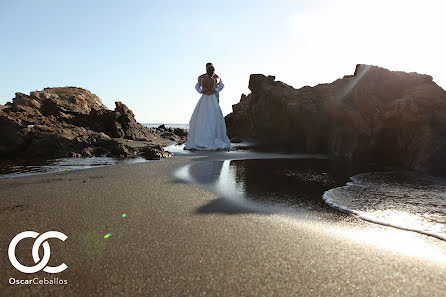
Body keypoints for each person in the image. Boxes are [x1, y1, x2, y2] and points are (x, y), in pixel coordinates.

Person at [184, 65, 232, 151]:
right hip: (212, 98)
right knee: (213, 117)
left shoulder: (202, 79)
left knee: (202, 117)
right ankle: (214, 136)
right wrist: (214, 90)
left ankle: (201, 138)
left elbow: (197, 86)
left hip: (204, 98)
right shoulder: (215, 79)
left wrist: (202, 91)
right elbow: (221, 85)